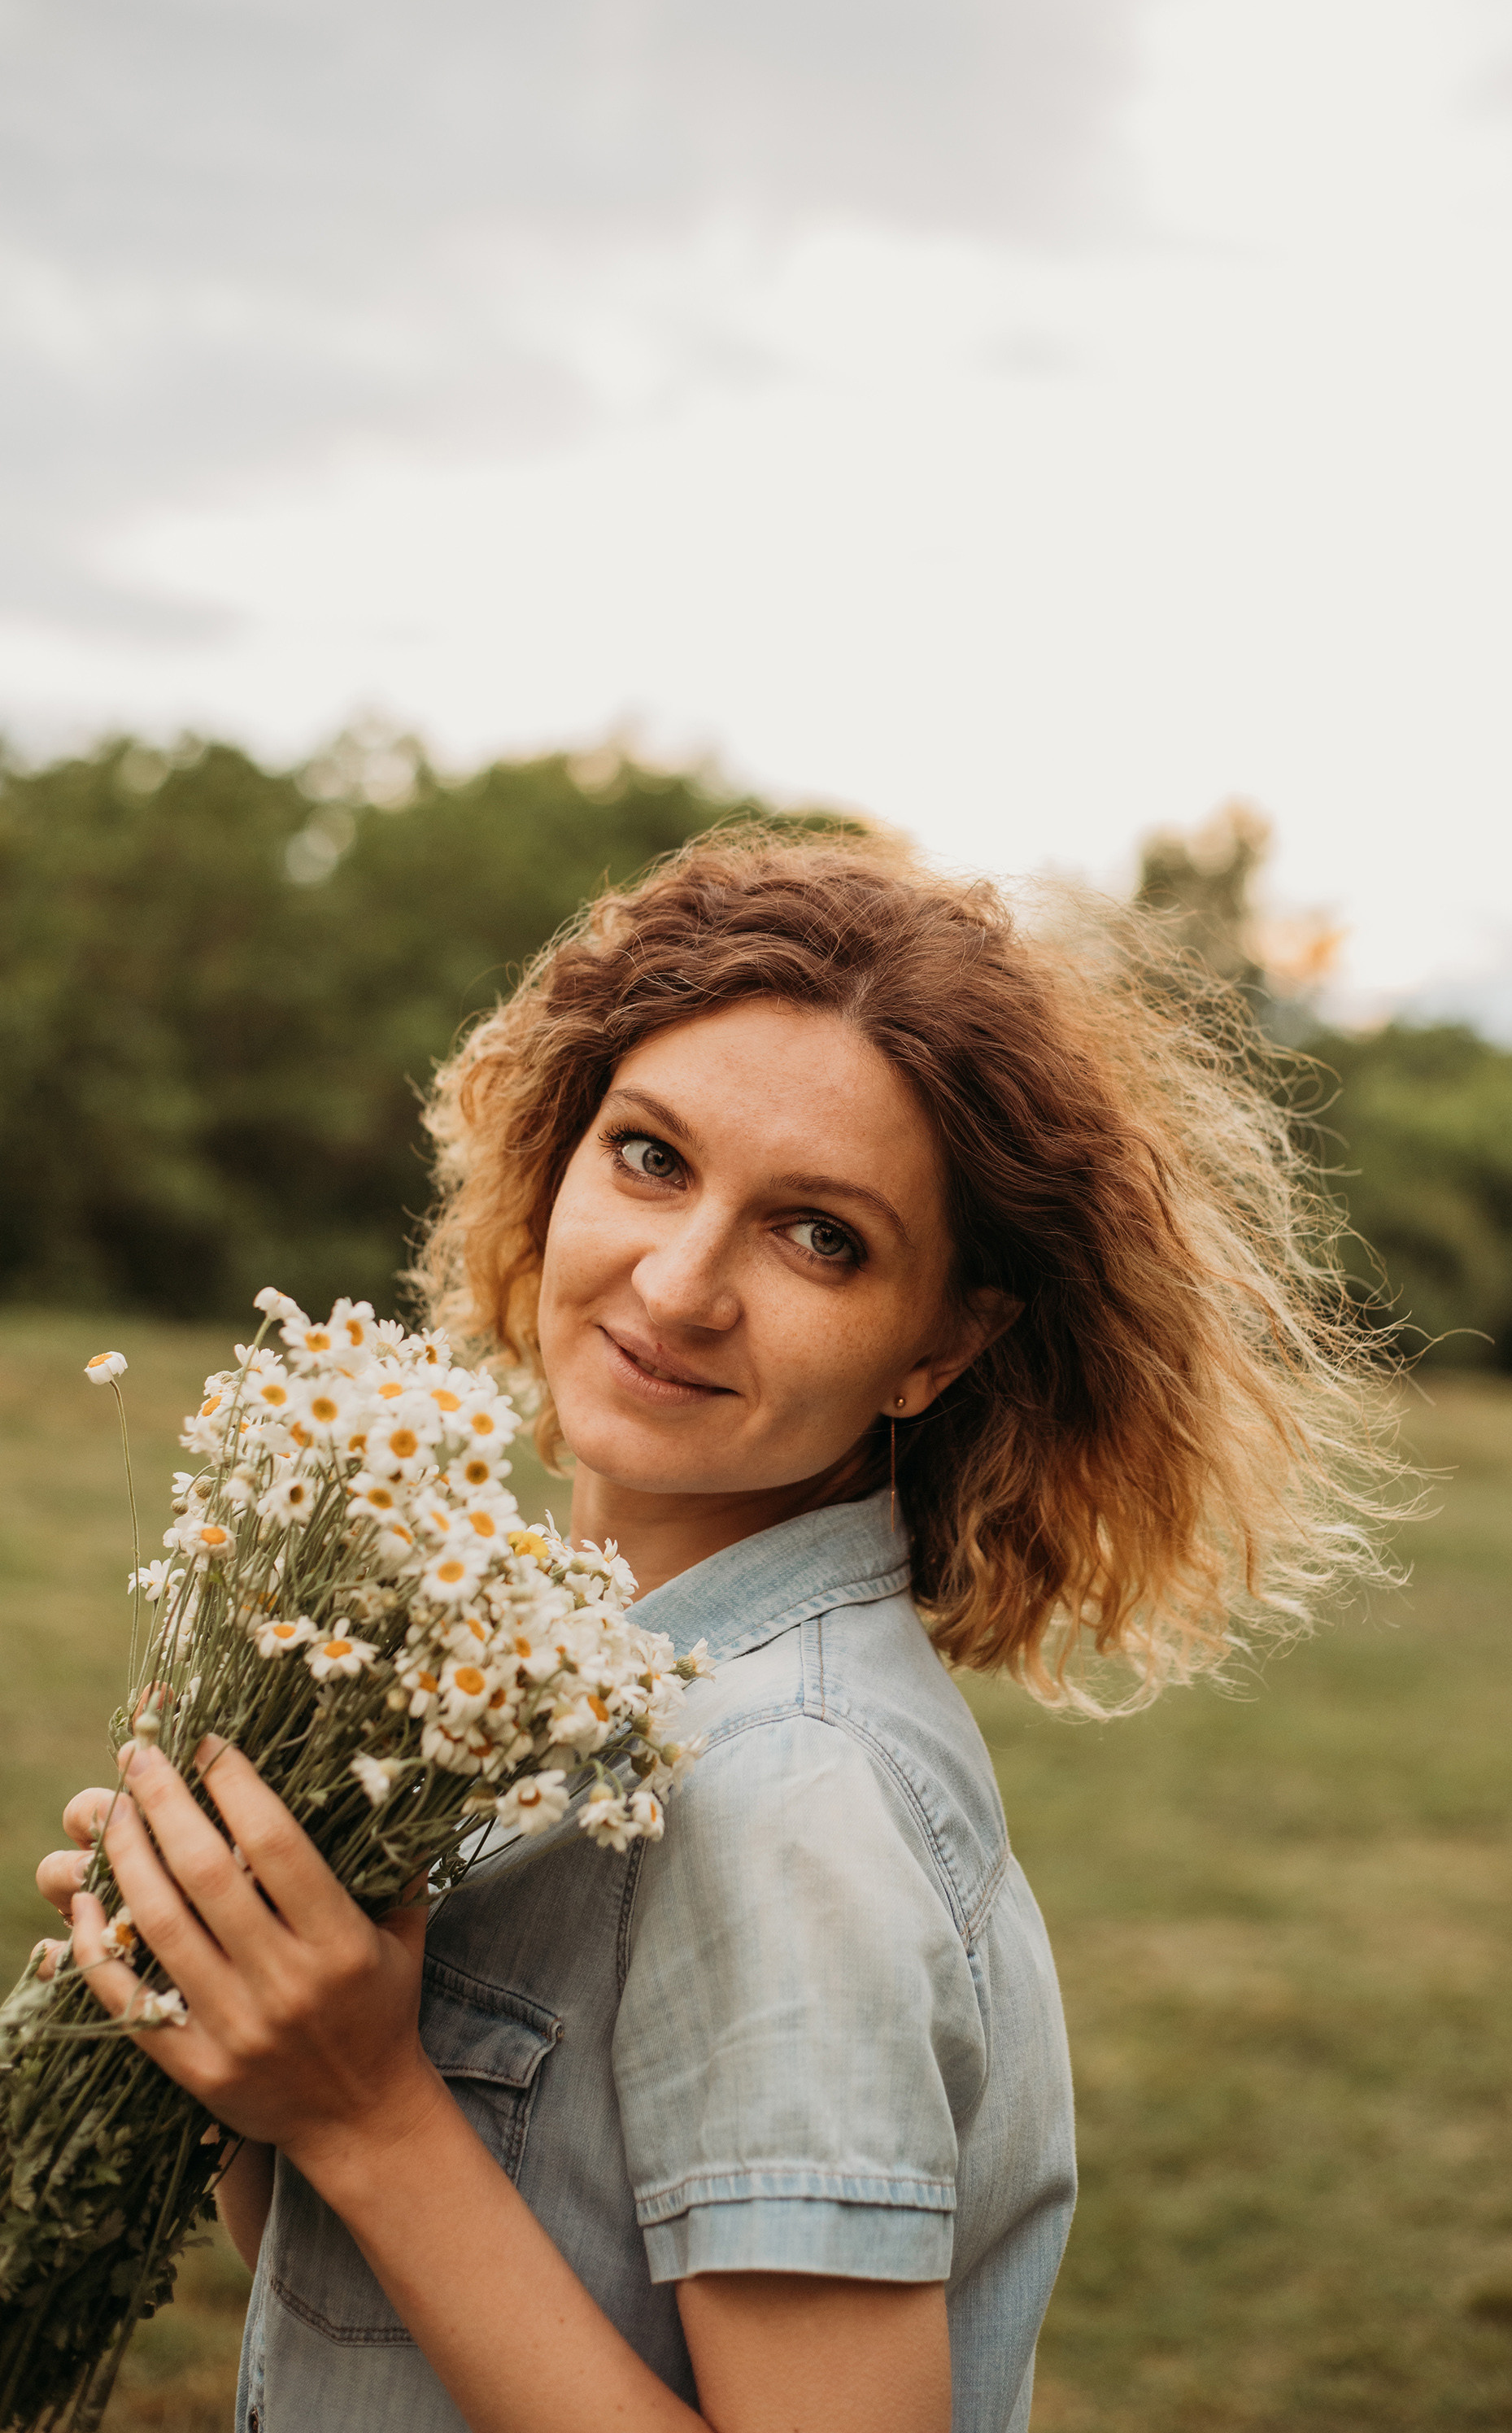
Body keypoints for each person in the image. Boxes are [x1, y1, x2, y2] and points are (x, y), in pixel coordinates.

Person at [36, 836, 1401, 2433]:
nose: (678, 1286)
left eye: (820, 1235)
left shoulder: (782, 1800)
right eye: (651, 1158)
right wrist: (265, 2039)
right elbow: (372, 2312)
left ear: (939, 1341)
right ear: (556, 1151)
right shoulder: (565, 1707)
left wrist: (367, 2113)